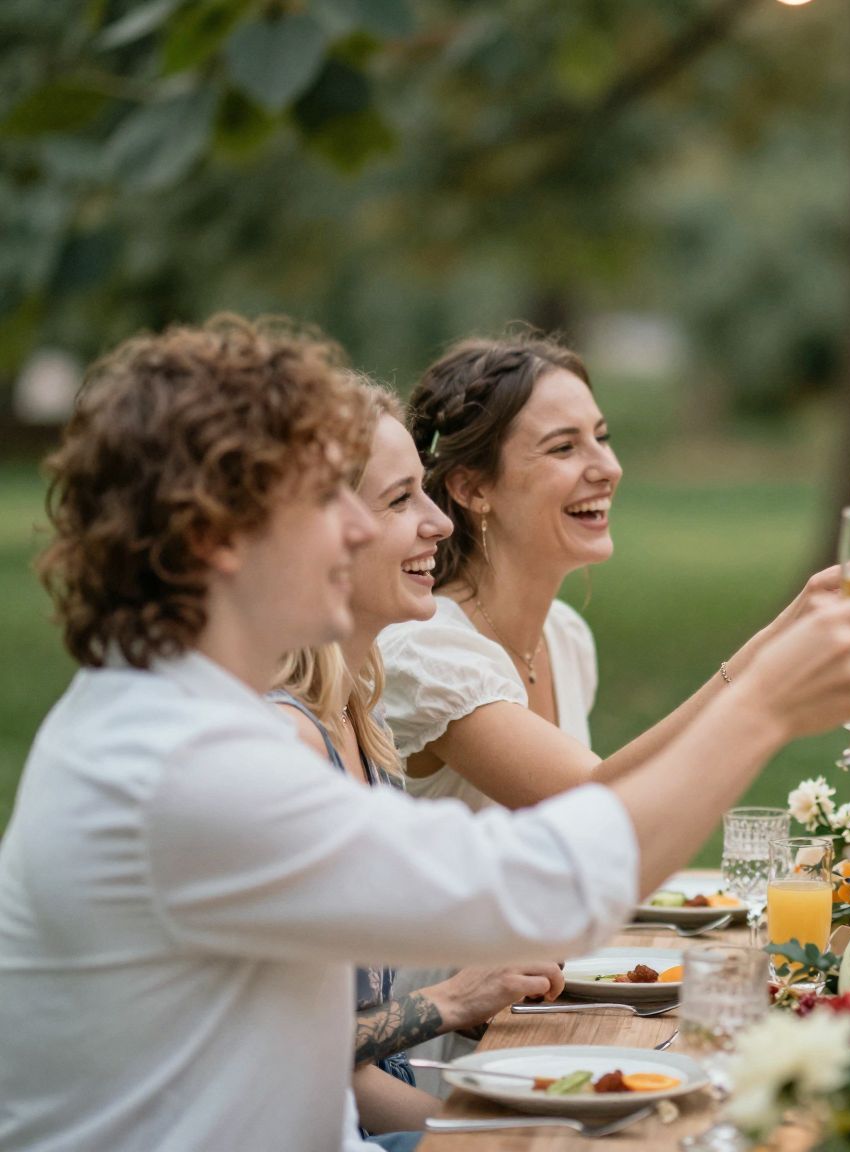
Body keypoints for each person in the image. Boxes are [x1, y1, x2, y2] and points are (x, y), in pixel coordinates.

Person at [0, 315, 850, 1151]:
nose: (371, 528)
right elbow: (541, 884)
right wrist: (764, 705)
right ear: (218, 537)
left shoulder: (175, 717)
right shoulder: (184, 763)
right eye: (332, 500)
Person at [383, 333, 850, 810]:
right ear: (472, 487)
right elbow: (593, 804)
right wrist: (769, 650)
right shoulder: (428, 651)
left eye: (602, 437)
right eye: (564, 447)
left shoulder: (565, 639)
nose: (608, 468)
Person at [269, 381, 566, 1140]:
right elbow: (278, 1051)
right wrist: (453, 1004)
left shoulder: (359, 717)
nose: (438, 522)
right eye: (402, 500)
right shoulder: (283, 743)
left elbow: (349, 1073)